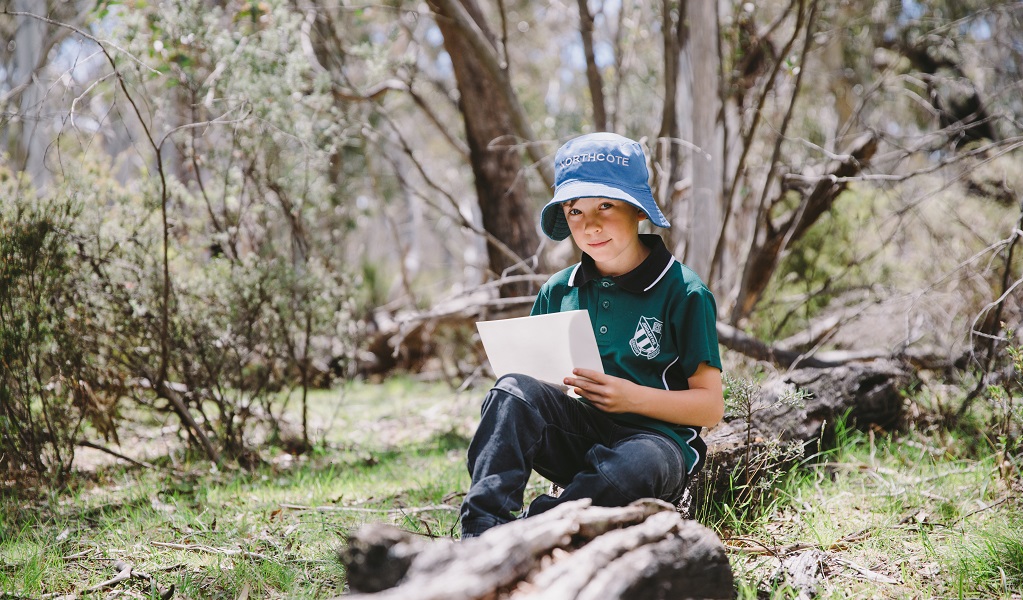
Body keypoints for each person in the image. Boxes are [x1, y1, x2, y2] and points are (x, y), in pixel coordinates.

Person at [459, 132, 724, 538]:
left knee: (634, 465)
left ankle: (536, 529)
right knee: (510, 391)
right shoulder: (558, 290)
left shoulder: (684, 291)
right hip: (578, 434)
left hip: (655, 445)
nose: (591, 225)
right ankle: (481, 531)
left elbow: (709, 407)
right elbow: (535, 392)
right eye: (575, 211)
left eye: (605, 205)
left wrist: (628, 397)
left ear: (638, 210)